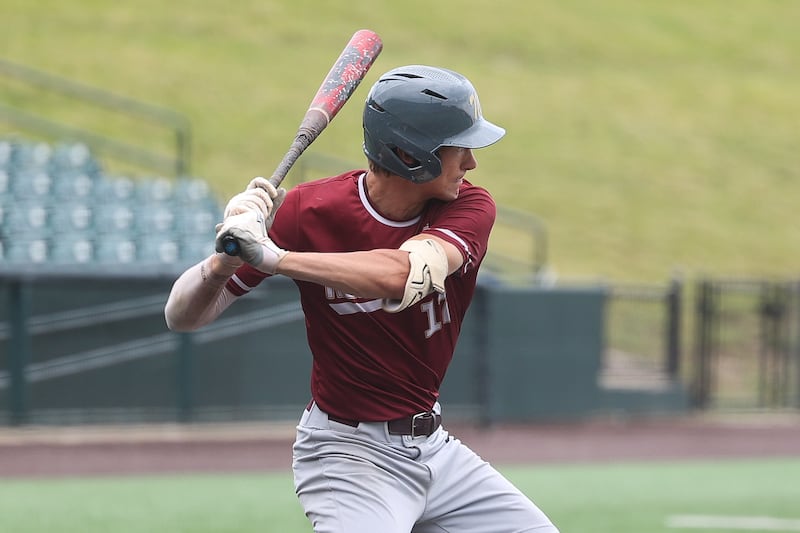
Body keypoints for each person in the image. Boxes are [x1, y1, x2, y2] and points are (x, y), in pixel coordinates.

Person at [165, 64, 559, 533]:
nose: (471, 162)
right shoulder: (308, 212)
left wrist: (276, 257)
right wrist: (223, 263)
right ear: (412, 155)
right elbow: (183, 316)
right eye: (459, 148)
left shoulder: (471, 206)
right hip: (348, 455)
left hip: (433, 447)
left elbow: (403, 273)